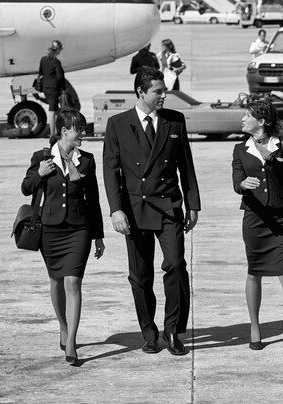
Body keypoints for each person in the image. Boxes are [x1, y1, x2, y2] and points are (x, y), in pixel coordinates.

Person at [103, 66, 200, 356]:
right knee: (140, 276)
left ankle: (173, 331)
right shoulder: (118, 124)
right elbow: (111, 171)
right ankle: (149, 332)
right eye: (157, 91)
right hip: (134, 210)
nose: (163, 96)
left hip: (169, 205)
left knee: (176, 266)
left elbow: (186, 165)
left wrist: (193, 204)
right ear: (140, 92)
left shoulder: (175, 120)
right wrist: (115, 210)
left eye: (163, 90)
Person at [21, 109, 105, 366]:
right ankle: (63, 326)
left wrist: (98, 236)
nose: (83, 133)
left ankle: (71, 343)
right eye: (78, 129)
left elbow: (94, 201)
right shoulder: (42, 157)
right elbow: (26, 189)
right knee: (56, 282)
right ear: (64, 131)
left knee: (73, 282)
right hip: (51, 229)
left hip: (79, 229)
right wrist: (40, 174)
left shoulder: (87, 160)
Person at [232, 100, 283, 357]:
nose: (243, 119)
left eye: (248, 116)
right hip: (255, 221)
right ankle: (255, 328)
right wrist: (243, 183)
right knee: (254, 273)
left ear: (262, 121)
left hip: (282, 219)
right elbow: (236, 180)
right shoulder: (239, 149)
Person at [38, 40, 65, 137]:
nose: (60, 52)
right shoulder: (56, 62)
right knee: (52, 111)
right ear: (57, 49)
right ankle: (52, 133)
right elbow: (60, 77)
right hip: (54, 89)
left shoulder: (43, 59)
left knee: (56, 110)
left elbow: (40, 72)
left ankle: (57, 130)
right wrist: (64, 88)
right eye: (60, 50)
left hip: (45, 87)